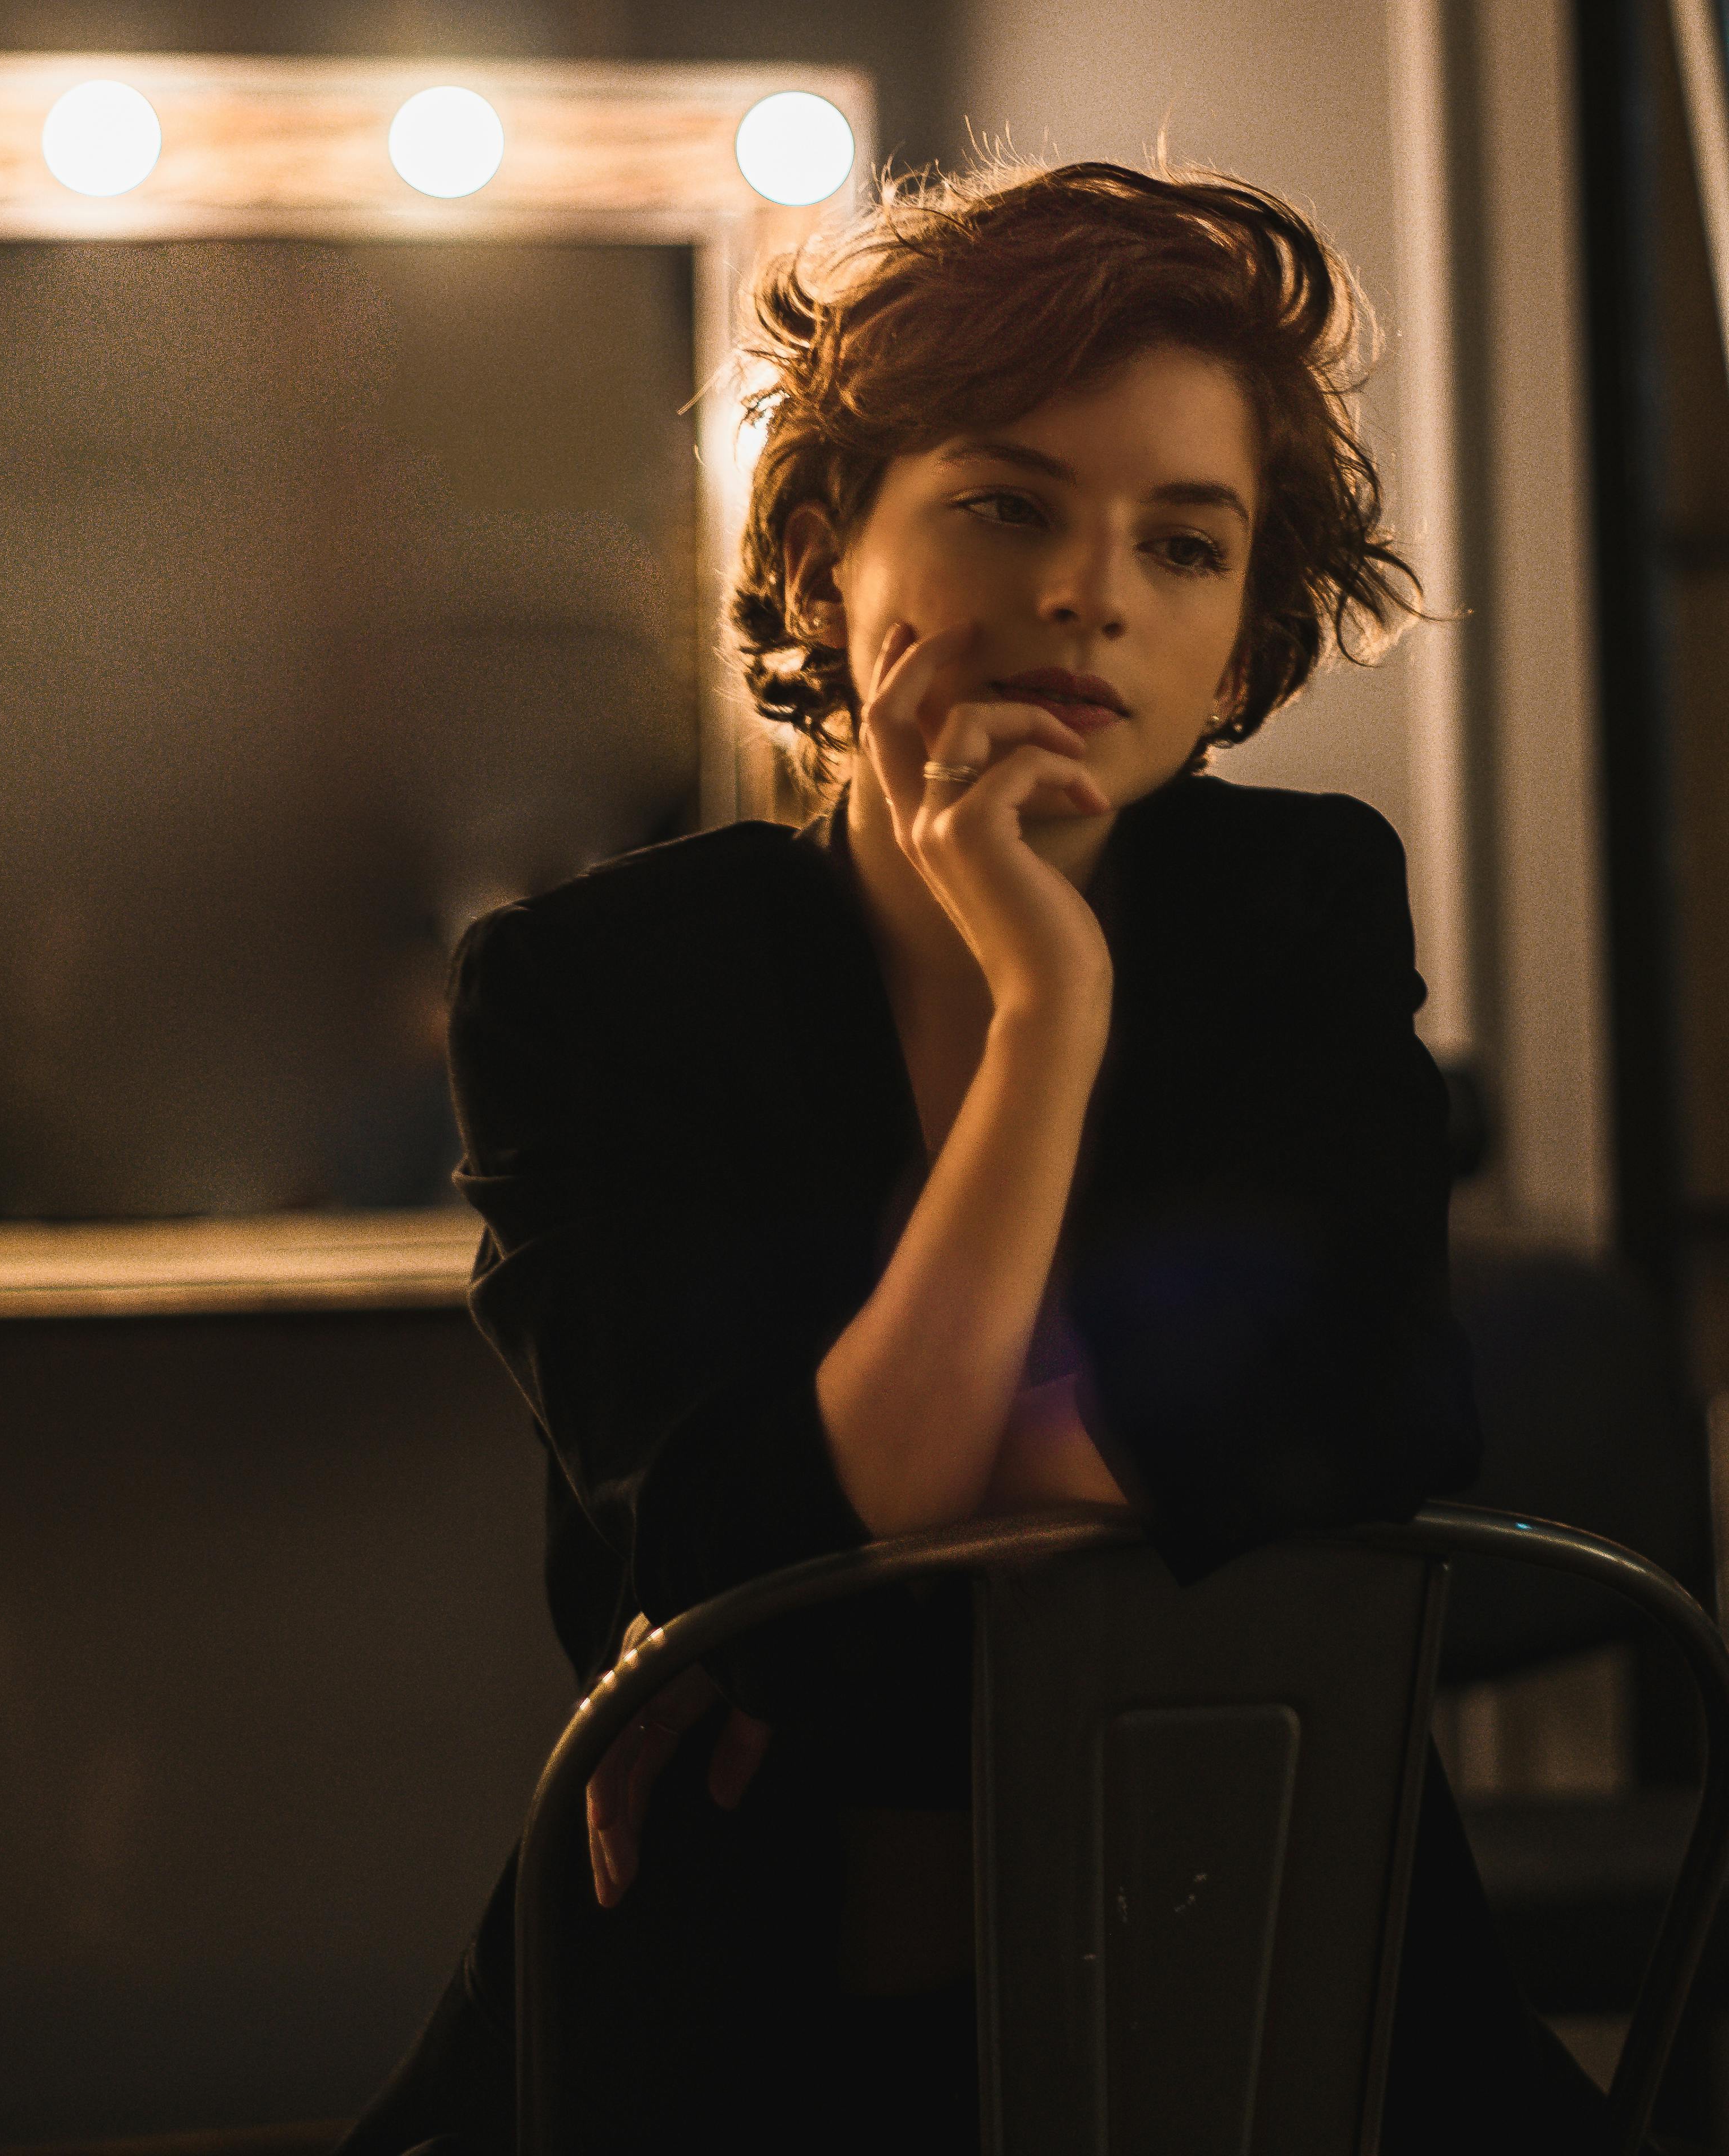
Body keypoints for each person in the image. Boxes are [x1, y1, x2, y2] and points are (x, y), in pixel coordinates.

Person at [338, 160, 1615, 2154]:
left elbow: (1368, 1424)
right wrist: (1046, 1023)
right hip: (732, 2001)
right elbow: (739, 1534)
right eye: (1010, 504)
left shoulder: (1299, 905)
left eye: (1184, 546)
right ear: (831, 546)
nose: (1092, 594)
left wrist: (845, 1570)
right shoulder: (595, 989)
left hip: (1263, 1937)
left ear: (1244, 630)